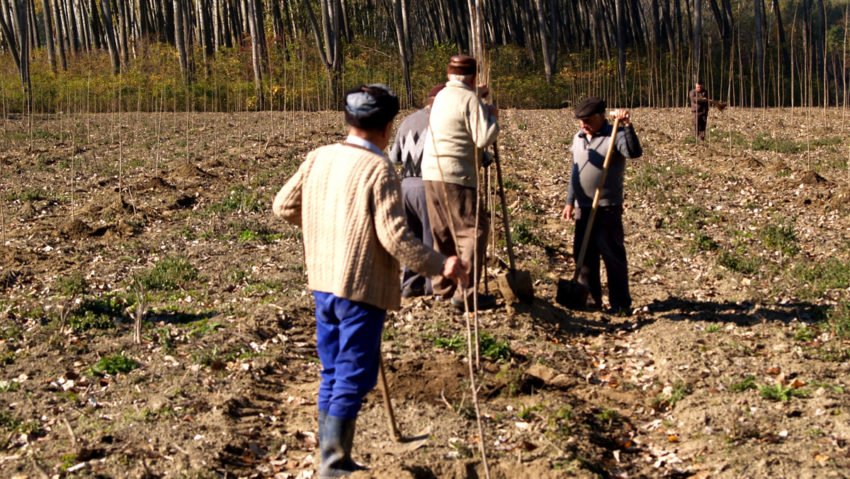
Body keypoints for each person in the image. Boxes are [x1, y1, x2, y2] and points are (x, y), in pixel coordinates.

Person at [272, 84, 468, 478]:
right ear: (387, 126)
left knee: (331, 370)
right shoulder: (379, 168)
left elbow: (283, 206)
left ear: (349, 119)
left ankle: (331, 456)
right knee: (354, 375)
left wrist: (328, 230)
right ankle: (333, 464)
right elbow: (395, 236)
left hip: (323, 281)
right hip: (360, 288)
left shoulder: (318, 157)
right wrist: (441, 265)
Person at [421, 55, 499, 312]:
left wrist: (477, 94)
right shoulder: (469, 100)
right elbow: (484, 138)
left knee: (442, 232)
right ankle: (465, 294)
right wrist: (492, 117)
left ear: (448, 77)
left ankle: (442, 289)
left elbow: (462, 95)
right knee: (473, 232)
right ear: (474, 78)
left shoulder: (443, 95)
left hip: (431, 172)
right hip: (458, 175)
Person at [560, 97, 642, 316]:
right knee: (583, 256)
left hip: (607, 207)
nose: (583, 125)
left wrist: (626, 126)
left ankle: (620, 303)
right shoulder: (578, 138)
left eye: (588, 120)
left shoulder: (615, 133)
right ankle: (591, 299)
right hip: (582, 207)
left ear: (600, 117)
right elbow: (574, 171)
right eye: (580, 121)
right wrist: (569, 201)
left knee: (612, 255)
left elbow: (633, 153)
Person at [388, 84, 445, 298]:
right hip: (429, 185)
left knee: (411, 237)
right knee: (433, 238)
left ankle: (410, 285)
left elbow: (394, 158)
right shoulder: (443, 122)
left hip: (406, 186)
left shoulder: (407, 121)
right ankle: (434, 287)